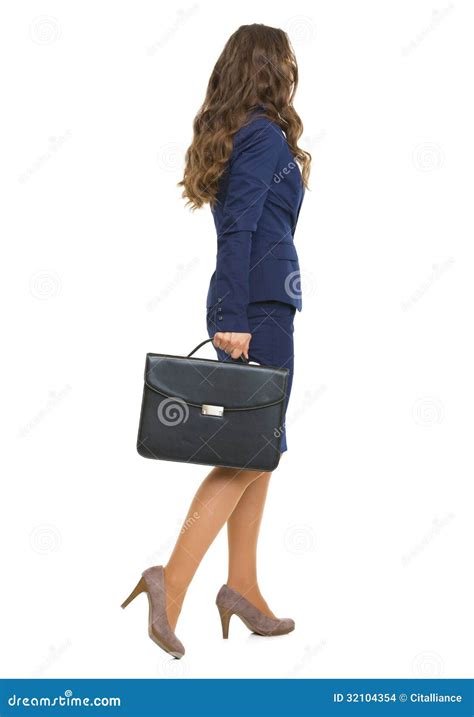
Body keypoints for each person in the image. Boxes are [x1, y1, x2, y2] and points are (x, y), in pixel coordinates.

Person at [122, 23, 311, 658]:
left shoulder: (247, 133)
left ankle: (243, 587)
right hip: (256, 306)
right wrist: (232, 313)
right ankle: (168, 583)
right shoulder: (262, 136)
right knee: (248, 452)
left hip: (262, 302)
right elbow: (238, 229)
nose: (292, 72)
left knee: (261, 449)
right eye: (285, 63)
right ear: (268, 68)